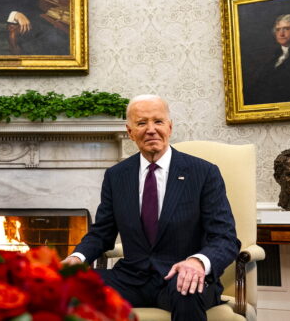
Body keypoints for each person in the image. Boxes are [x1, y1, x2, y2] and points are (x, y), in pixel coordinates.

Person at [62, 95, 239, 321]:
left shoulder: (203, 173)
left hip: (180, 275)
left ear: (170, 127)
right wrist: (77, 257)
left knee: (187, 289)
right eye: (141, 123)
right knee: (68, 286)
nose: (151, 129)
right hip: (131, 278)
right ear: (130, 132)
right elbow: (102, 232)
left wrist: (197, 262)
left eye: (158, 121)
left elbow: (225, 238)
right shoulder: (116, 176)